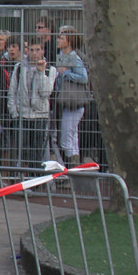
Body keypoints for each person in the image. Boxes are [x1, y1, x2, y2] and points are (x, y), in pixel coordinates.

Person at [9, 38, 55, 167]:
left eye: (38, 50)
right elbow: (12, 91)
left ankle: (35, 176)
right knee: (23, 151)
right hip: (22, 115)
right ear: (27, 51)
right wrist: (14, 113)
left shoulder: (50, 69)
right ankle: (27, 174)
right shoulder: (19, 67)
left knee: (37, 152)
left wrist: (41, 73)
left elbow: (45, 92)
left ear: (43, 51)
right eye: (32, 50)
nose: (35, 53)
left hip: (40, 115)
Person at [54, 25, 90, 171]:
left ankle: (73, 170)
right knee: (72, 139)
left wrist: (66, 74)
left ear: (69, 41)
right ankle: (76, 168)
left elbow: (84, 78)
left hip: (73, 103)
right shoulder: (63, 56)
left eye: (61, 38)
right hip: (66, 103)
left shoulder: (74, 58)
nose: (58, 40)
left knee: (66, 140)